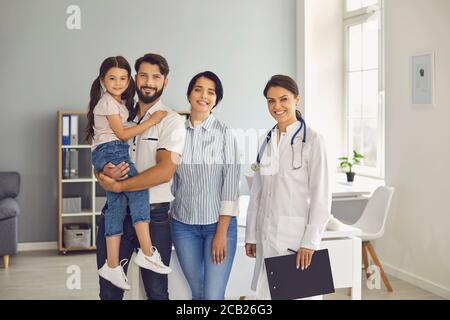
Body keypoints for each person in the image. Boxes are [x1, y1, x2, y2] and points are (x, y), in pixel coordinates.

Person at [95, 53, 186, 300]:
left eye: (156, 77)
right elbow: (101, 151)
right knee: (109, 292)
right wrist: (102, 174)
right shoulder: (120, 113)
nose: (148, 81)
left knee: (156, 292)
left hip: (154, 216)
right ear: (135, 78)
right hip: (117, 214)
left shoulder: (172, 121)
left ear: (165, 82)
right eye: (143, 75)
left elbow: (165, 171)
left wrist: (119, 184)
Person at [245, 75, 331, 300]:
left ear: (297, 100)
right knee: (266, 296)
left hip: (296, 238)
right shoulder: (265, 139)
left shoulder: (313, 140)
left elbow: (321, 197)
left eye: (283, 99)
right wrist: (251, 234)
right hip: (266, 233)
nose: (277, 106)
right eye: (270, 101)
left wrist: (310, 243)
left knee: (297, 295)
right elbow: (257, 192)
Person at [170, 71, 241, 300]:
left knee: (212, 296)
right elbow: (170, 179)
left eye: (211, 92)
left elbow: (231, 185)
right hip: (183, 226)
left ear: (216, 99)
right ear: (189, 94)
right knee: (198, 291)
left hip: (217, 227)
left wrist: (221, 232)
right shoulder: (175, 132)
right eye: (198, 89)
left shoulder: (226, 134)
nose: (204, 96)